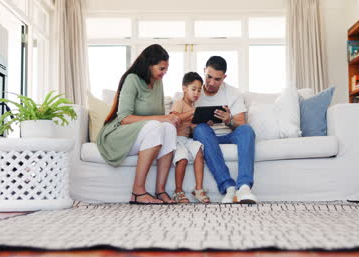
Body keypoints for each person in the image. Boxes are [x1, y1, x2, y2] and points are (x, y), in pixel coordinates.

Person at [97, 44, 178, 204]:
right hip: (120, 133)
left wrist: (169, 117)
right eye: (161, 68)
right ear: (149, 65)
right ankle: (138, 192)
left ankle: (160, 191)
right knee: (156, 125)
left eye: (166, 69)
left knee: (168, 127)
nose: (164, 73)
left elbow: (160, 118)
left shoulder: (158, 82)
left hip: (144, 133)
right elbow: (124, 118)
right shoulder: (132, 79)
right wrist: (159, 119)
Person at [193, 56, 257, 204]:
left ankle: (244, 187)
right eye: (209, 77)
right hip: (207, 136)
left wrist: (229, 120)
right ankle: (229, 187)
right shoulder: (195, 91)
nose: (211, 83)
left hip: (228, 135)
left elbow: (241, 123)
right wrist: (201, 123)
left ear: (224, 77)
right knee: (201, 129)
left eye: (217, 79)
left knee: (247, 130)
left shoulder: (233, 93)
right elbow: (187, 126)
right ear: (204, 71)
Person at [170, 72, 210, 204]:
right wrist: (192, 113)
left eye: (199, 90)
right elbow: (174, 119)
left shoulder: (194, 107)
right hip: (176, 138)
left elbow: (191, 126)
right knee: (182, 159)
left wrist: (201, 123)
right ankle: (178, 191)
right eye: (193, 89)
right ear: (184, 88)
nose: (196, 93)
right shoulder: (179, 103)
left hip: (187, 139)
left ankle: (198, 189)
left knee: (199, 151)